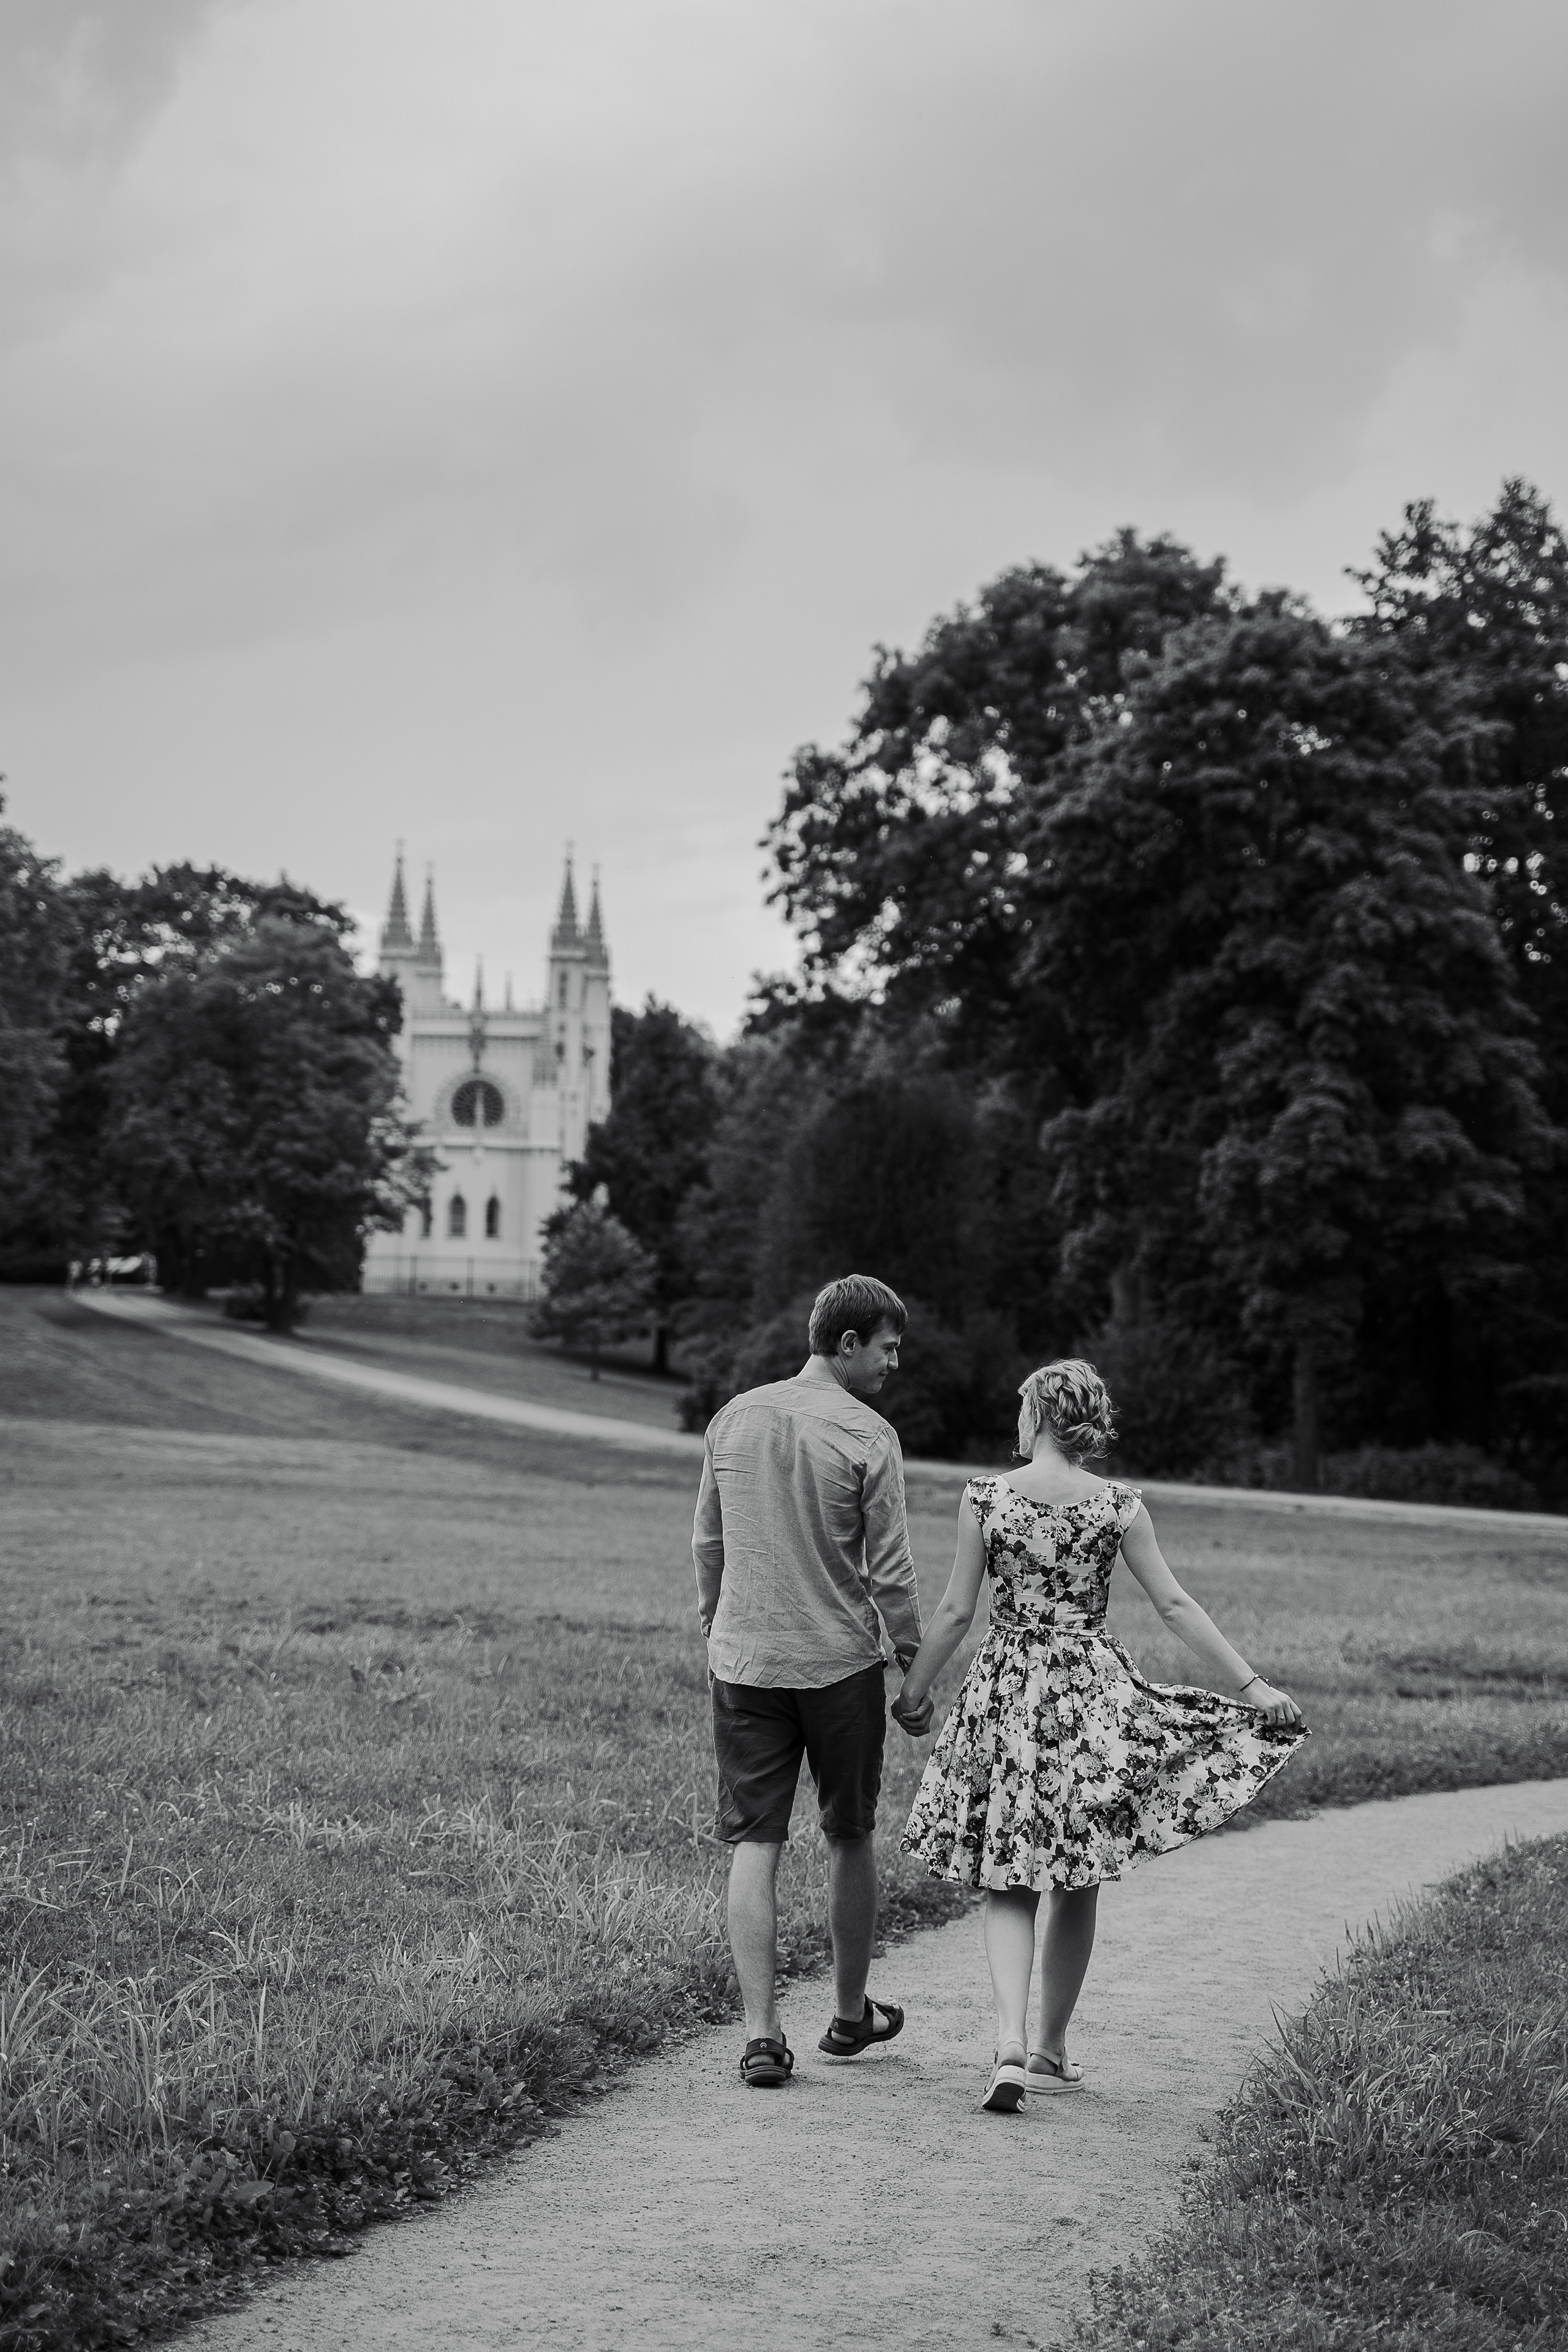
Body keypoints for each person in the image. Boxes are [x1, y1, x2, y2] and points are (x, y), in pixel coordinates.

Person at [895, 1358, 1306, 2114]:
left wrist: (915, 1690)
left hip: (1007, 1694)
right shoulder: (1118, 1505)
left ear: (1037, 1417)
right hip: (1088, 1694)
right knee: (1075, 1872)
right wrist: (1252, 1687)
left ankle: (1011, 2042)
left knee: (1008, 1877)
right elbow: (1176, 1606)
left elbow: (955, 1612)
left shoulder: (985, 1497)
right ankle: (1050, 2050)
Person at [693, 1273, 929, 2089]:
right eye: (888, 1348)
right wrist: (913, 1664)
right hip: (839, 1667)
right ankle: (849, 2013)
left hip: (746, 1663)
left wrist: (713, 1624)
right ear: (848, 1343)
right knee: (850, 1832)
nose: (894, 1364)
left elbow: (708, 1543)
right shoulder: (870, 1437)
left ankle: (762, 2035)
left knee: (755, 1843)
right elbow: (892, 1573)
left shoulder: (733, 1419)